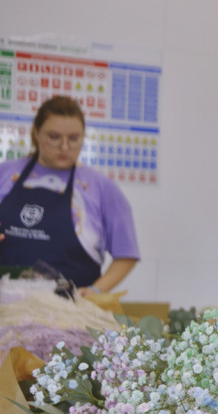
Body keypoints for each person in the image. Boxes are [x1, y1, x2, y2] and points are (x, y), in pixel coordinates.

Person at [0, 95, 139, 294]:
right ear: (36, 133)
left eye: (74, 138)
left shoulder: (101, 188)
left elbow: (126, 254)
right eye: (54, 137)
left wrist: (96, 291)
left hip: (72, 314)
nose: (64, 147)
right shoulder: (4, 175)